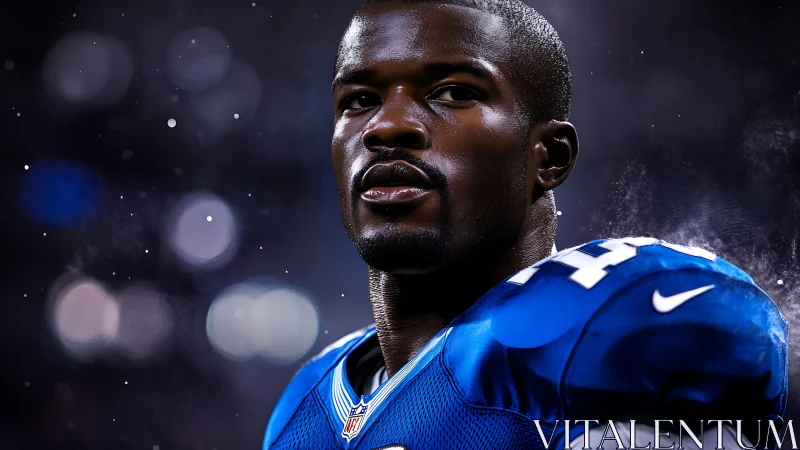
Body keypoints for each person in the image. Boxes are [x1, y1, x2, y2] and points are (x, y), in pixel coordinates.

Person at [263, 1, 788, 448]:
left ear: (549, 157)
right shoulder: (305, 400)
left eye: (452, 92)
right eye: (358, 101)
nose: (387, 125)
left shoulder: (607, 326)